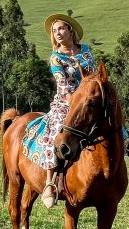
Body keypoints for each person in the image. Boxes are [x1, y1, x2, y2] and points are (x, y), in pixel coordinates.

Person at [21, 13, 98, 208]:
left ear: (71, 31)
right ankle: (49, 182)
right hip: (66, 103)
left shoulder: (87, 51)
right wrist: (75, 101)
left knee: (113, 125)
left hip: (89, 100)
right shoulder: (56, 58)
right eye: (55, 31)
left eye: (61, 29)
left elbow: (94, 76)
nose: (58, 33)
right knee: (55, 132)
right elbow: (62, 85)